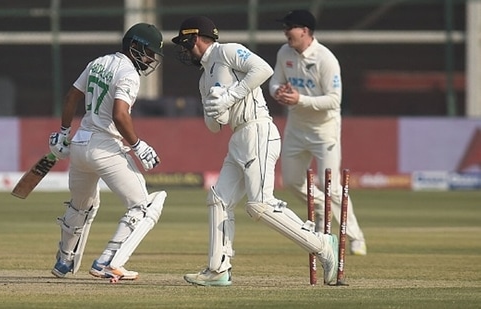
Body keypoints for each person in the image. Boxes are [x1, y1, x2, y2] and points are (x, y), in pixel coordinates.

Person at [171, 16, 339, 286]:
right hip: (238, 137)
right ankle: (218, 269)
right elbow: (215, 127)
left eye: (185, 43)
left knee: (260, 205)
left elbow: (262, 69)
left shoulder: (226, 51)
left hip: (258, 130)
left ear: (196, 38)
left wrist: (230, 95)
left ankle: (321, 244)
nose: (184, 50)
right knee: (219, 199)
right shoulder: (204, 79)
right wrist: (216, 111)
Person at [48, 22, 167, 281]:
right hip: (105, 146)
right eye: (148, 52)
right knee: (142, 207)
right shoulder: (129, 74)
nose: (150, 59)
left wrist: (64, 133)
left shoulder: (98, 62)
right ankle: (107, 262)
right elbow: (120, 114)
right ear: (134, 46)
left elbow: (71, 97)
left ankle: (64, 262)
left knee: (80, 207)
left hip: (80, 144)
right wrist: (138, 145)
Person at [268, 9, 367, 255]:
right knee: (291, 181)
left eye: (289, 27)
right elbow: (274, 82)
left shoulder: (326, 59)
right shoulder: (284, 53)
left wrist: (299, 99)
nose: (285, 32)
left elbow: (334, 100)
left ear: (305, 31)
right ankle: (323, 210)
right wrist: (278, 92)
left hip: (324, 131)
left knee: (331, 186)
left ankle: (355, 237)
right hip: (296, 128)